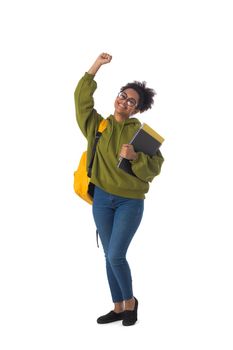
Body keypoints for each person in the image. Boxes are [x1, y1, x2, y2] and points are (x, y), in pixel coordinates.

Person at [74, 53, 164, 326]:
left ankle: (131, 303)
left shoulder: (141, 134)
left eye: (131, 101)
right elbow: (81, 101)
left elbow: (156, 167)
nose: (124, 101)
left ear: (136, 109)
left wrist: (136, 157)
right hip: (101, 198)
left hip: (129, 201)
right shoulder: (98, 126)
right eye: (122, 96)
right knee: (108, 255)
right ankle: (117, 307)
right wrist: (95, 67)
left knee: (116, 254)